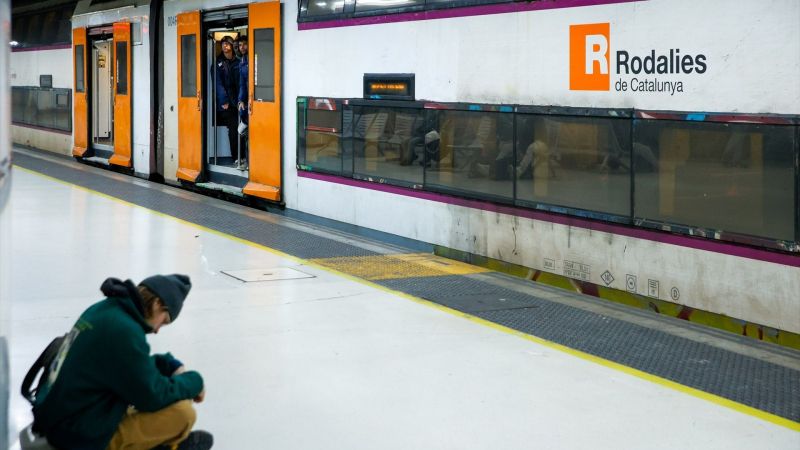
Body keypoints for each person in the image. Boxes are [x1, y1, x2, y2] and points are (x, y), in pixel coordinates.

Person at [31, 274, 213, 450]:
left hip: (61, 416)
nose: (157, 330)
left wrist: (169, 364)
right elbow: (153, 396)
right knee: (183, 414)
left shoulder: (105, 310)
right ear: (157, 303)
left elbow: (127, 366)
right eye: (164, 321)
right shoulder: (124, 330)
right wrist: (195, 381)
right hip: (76, 436)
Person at [214, 36, 241, 167]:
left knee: (242, 129)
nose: (224, 46)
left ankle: (242, 156)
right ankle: (236, 156)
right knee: (234, 129)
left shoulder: (238, 61)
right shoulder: (218, 64)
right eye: (223, 44)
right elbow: (218, 84)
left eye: (227, 43)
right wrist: (224, 101)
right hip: (227, 104)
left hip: (239, 101)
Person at [236, 35, 249, 169]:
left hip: (254, 98)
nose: (242, 47)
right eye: (240, 45)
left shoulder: (252, 58)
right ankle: (247, 161)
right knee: (246, 130)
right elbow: (242, 84)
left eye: (244, 44)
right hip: (247, 99)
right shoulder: (242, 61)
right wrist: (241, 100)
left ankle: (248, 162)